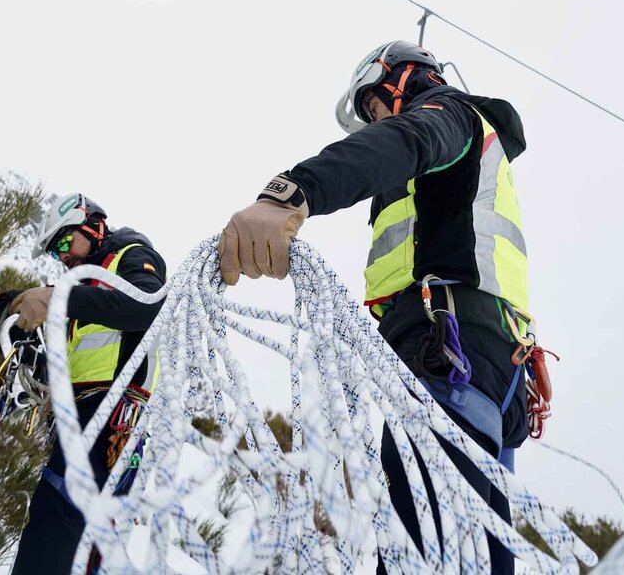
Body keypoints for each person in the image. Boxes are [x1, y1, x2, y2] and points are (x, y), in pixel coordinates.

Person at [218, 40, 534, 575]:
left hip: (448, 355)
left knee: (419, 556)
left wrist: (292, 192)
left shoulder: (448, 114)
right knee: (472, 558)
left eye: (373, 107)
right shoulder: (473, 153)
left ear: (403, 81)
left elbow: (403, 139)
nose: (373, 120)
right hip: (484, 367)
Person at [10, 192, 167, 575]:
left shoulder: (129, 254)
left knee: (59, 514)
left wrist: (56, 297)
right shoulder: (84, 290)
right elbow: (72, 368)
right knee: (79, 532)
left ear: (94, 225)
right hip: (84, 412)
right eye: (54, 252)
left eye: (64, 242)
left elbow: (147, 303)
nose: (63, 257)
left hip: (115, 410)